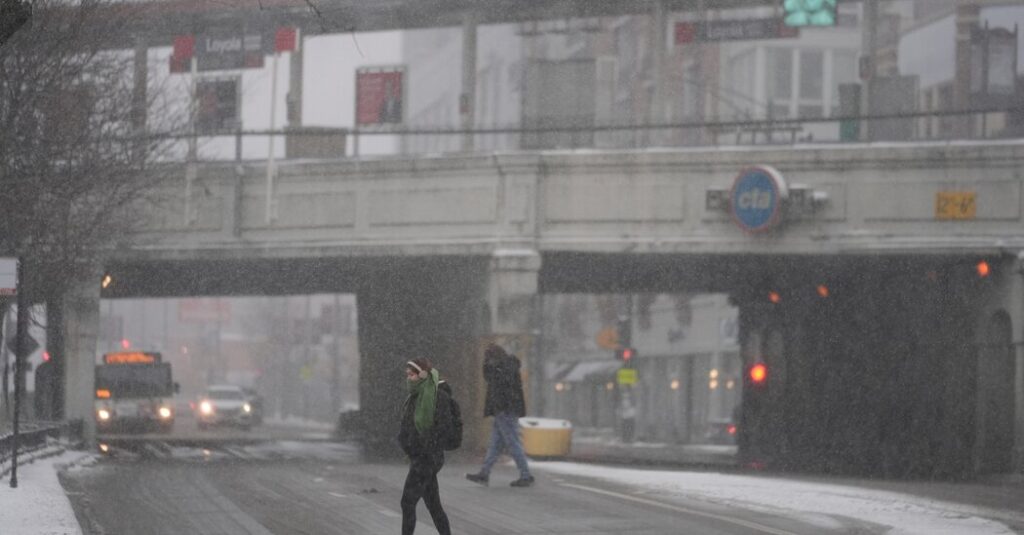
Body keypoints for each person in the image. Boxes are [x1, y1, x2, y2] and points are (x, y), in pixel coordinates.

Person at [397, 358, 453, 535]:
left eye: (412, 374)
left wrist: (424, 448)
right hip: (420, 457)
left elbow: (443, 428)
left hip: (427, 458)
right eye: (407, 374)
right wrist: (406, 441)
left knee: (407, 502)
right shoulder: (415, 396)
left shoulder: (437, 397)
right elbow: (409, 424)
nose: (409, 378)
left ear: (423, 375)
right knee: (433, 505)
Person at [466, 343, 534, 488]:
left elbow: (493, 382)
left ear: (493, 356)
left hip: (505, 411)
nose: (486, 360)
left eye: (487, 357)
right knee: (495, 445)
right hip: (504, 411)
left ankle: (526, 475)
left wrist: (500, 408)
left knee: (513, 443)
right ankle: (484, 474)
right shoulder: (507, 366)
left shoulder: (501, 368)